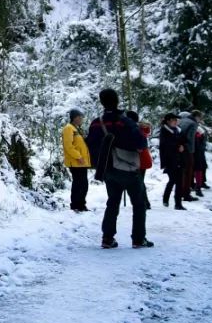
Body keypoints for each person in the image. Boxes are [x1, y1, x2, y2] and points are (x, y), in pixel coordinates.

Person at [86, 88, 152, 249]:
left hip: (108, 169)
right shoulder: (125, 122)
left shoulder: (96, 123)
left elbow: (90, 145)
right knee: (139, 203)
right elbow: (141, 143)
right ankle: (138, 239)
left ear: (101, 102)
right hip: (129, 168)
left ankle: (107, 238)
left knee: (112, 202)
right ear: (117, 101)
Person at [62, 108, 91, 212]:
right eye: (80, 117)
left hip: (81, 162)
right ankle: (76, 205)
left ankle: (80, 204)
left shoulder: (77, 129)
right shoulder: (68, 128)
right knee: (80, 184)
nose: (81, 119)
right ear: (74, 118)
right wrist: (78, 157)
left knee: (82, 184)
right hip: (76, 162)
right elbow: (68, 146)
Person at [159, 113, 186, 210]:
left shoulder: (177, 130)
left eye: (176, 120)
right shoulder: (164, 131)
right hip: (170, 160)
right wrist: (178, 147)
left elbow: (183, 140)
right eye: (174, 120)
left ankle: (178, 203)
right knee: (173, 180)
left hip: (179, 159)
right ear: (168, 121)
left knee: (178, 181)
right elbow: (165, 146)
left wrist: (182, 145)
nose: (176, 122)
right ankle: (166, 199)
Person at [126, 111, 152, 210]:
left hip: (138, 159)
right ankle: (145, 202)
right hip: (142, 159)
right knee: (140, 181)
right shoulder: (140, 129)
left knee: (139, 182)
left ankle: (144, 202)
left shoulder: (134, 129)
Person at [178, 110, 200, 202]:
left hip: (180, 148)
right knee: (188, 172)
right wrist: (191, 150)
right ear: (197, 117)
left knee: (182, 172)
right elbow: (190, 138)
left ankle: (181, 191)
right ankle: (186, 194)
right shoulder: (193, 123)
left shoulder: (183, 120)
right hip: (188, 150)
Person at [193, 113, 208, 195]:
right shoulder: (193, 126)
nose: (200, 119)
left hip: (200, 150)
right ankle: (197, 186)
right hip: (196, 151)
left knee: (203, 167)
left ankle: (201, 182)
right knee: (197, 169)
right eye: (199, 117)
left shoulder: (199, 126)